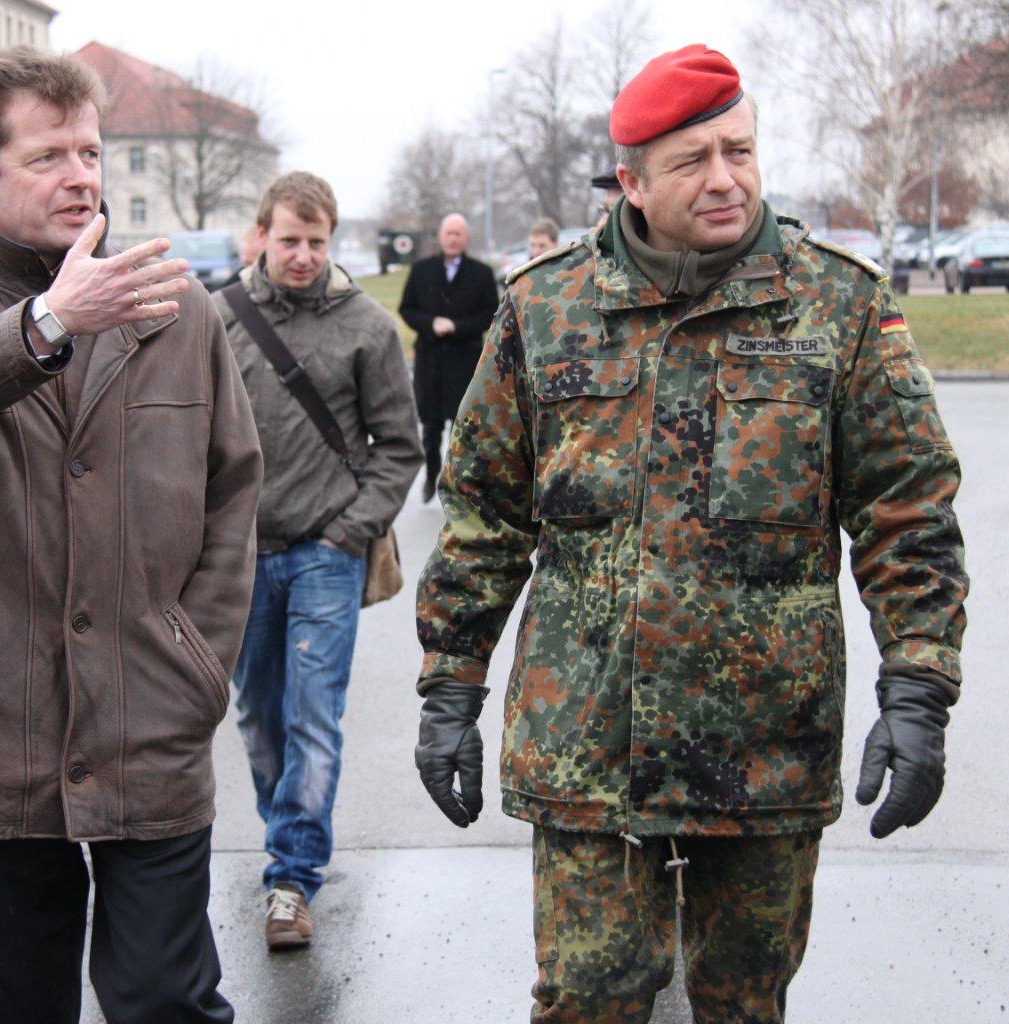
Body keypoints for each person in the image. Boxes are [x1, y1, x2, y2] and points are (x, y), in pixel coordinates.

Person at [413, 43, 967, 1024]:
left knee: (743, 1007)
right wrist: (449, 685)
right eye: (692, 160)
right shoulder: (544, 310)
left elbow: (907, 510)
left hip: (764, 746)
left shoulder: (836, 304)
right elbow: (484, 518)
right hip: (588, 745)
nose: (726, 179)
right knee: (587, 1002)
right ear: (629, 179)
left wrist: (917, 687)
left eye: (741, 151)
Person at [0, 46, 262, 1024]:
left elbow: (233, 491)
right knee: (13, 1002)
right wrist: (43, 324)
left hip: (149, 714)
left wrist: (195, 660)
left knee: (167, 998)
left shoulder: (177, 305)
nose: (82, 175)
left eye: (91, 151)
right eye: (49, 158)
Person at [212, 171, 420, 950]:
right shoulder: (216, 320)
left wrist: (351, 529)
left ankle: (293, 876)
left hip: (326, 556)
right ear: (261, 235)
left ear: (333, 242)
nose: (302, 256)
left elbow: (400, 446)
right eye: (290, 239)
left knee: (313, 718)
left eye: (317, 242)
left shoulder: (366, 325)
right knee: (260, 719)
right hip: (241, 557)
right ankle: (286, 833)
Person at [398, 213, 499, 502]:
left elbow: (489, 313)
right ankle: (431, 473)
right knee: (429, 426)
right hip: (430, 358)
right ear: (440, 236)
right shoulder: (422, 270)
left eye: (458, 234)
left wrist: (457, 327)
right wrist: (431, 323)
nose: (453, 238)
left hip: (464, 360)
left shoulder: (480, 273)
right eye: (448, 233)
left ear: (466, 238)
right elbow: (408, 309)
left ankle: (457, 483)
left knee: (462, 427)